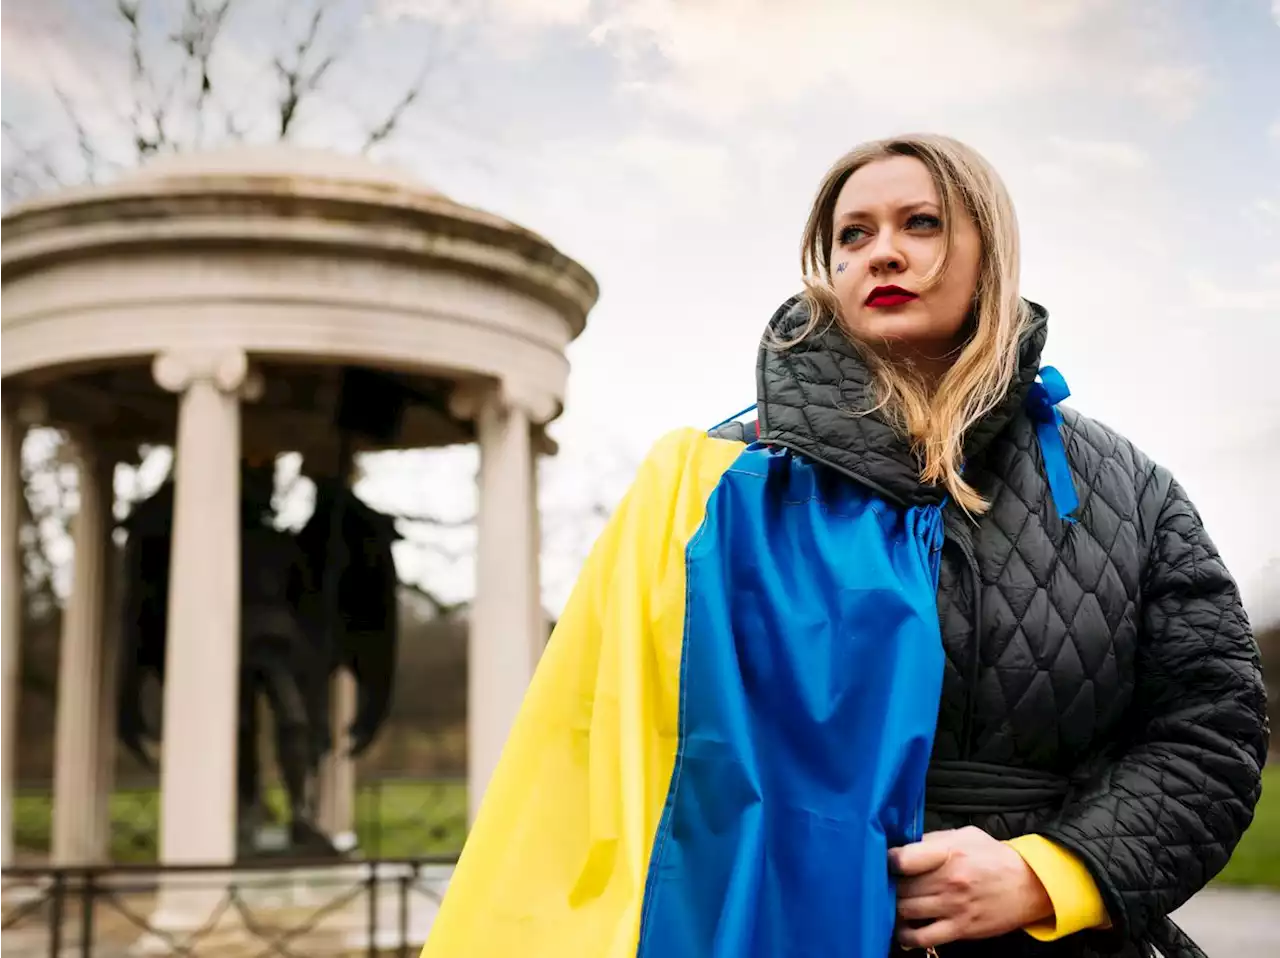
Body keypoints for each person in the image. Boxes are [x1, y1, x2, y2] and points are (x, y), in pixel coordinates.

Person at [420, 134, 1269, 958]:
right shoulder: (715, 486)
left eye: (922, 224)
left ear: (993, 251)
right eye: (851, 235)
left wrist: (1048, 876)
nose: (882, 253)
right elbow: (595, 760)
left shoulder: (1130, 491)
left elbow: (1213, 732)